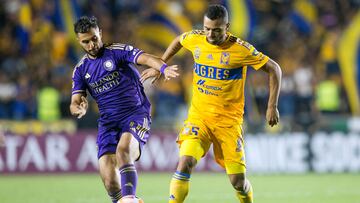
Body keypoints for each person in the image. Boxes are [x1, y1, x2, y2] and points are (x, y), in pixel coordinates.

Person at [141, 4, 282, 203]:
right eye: (207, 28)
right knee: (185, 163)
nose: (210, 34)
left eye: (216, 30)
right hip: (200, 118)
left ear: (227, 26)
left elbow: (274, 69)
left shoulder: (240, 49)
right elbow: (179, 40)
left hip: (228, 123)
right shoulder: (197, 38)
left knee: (238, 182)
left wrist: (271, 106)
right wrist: (161, 65)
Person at [70, 16, 178, 203]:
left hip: (135, 113)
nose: (91, 45)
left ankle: (129, 198)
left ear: (100, 34)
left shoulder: (116, 52)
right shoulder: (80, 70)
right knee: (110, 180)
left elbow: (146, 58)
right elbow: (75, 101)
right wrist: (78, 107)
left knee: (123, 150)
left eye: (94, 38)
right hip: (108, 123)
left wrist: (163, 68)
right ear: (79, 41)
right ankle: (126, 199)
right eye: (85, 41)